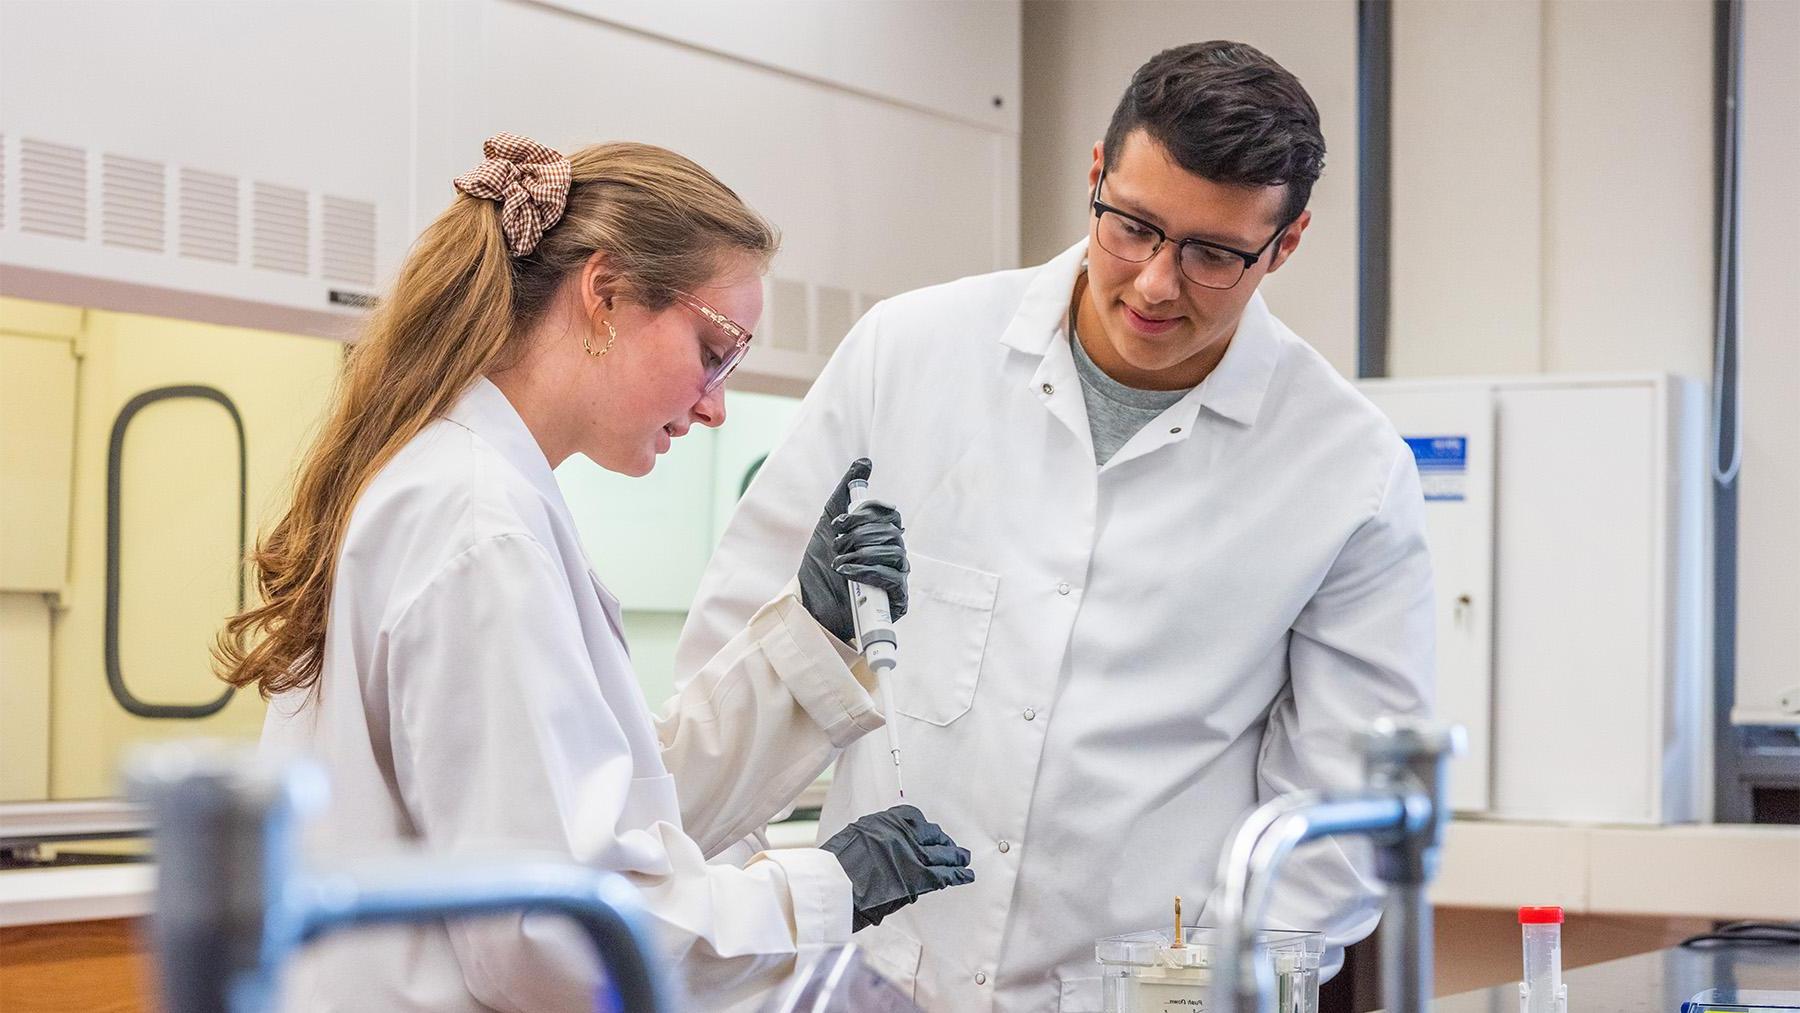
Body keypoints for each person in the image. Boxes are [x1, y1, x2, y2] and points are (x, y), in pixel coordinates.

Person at [677, 41, 1434, 1012]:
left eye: (1211, 253)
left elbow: (1338, 819)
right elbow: (731, 652)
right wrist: (751, 950)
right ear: (1095, 177)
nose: (1157, 283)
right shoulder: (907, 355)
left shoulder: (1348, 469)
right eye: (1133, 227)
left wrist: (1191, 990)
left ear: (1283, 246)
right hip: (872, 982)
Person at [215, 134, 972, 1013]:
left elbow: (611, 812)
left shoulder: (477, 490)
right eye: (714, 350)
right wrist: (824, 885)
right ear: (605, 292)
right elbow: (551, 932)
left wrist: (809, 629)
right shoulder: (479, 523)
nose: (716, 404)